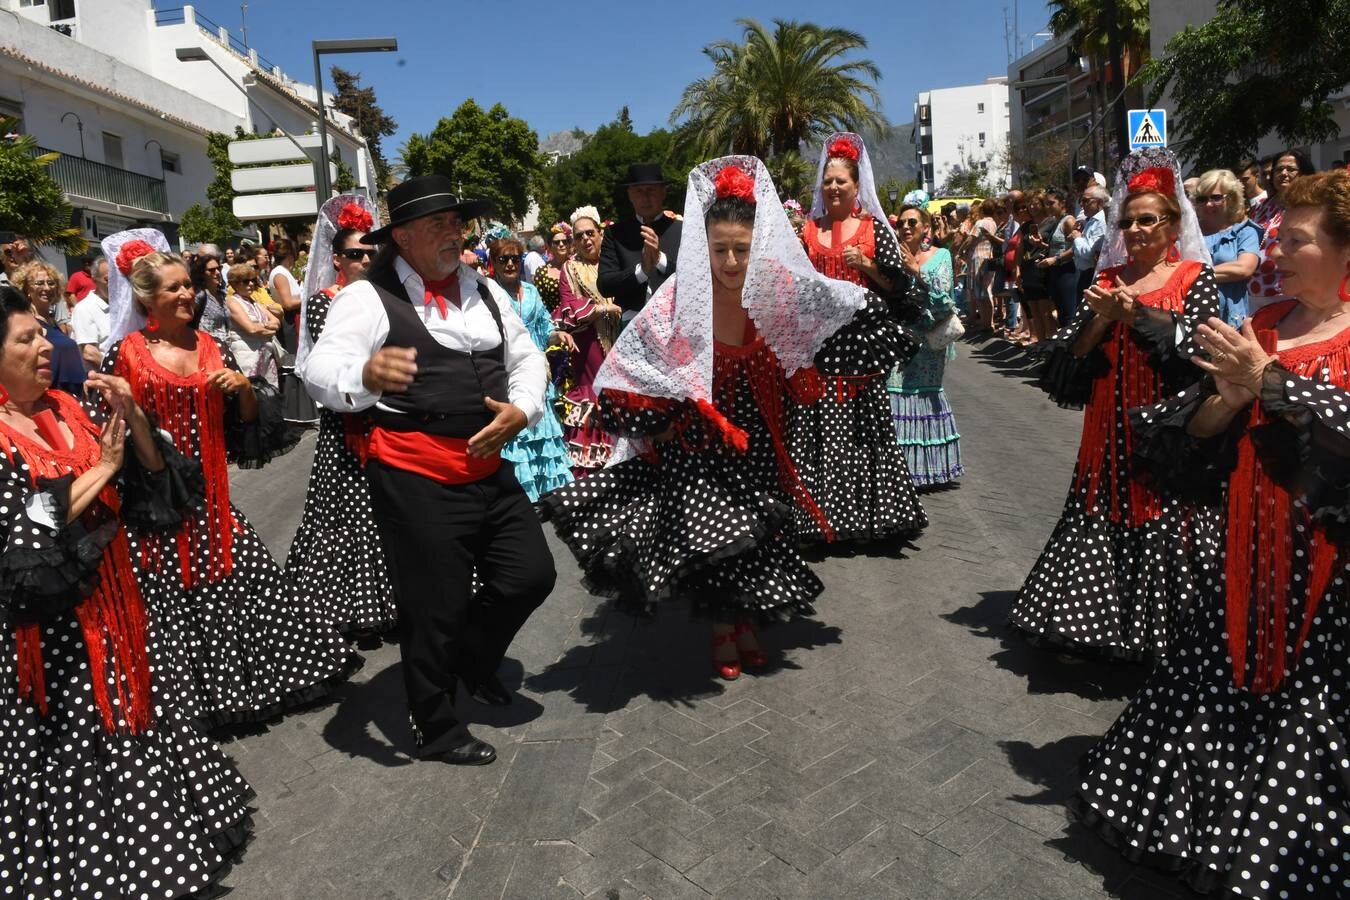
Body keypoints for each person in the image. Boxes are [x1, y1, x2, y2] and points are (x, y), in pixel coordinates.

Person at [1074, 168, 1350, 899]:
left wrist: (1274, 385)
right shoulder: (1261, 329)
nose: (1277, 250)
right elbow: (1190, 441)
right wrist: (1225, 403)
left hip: (1328, 585)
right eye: (1278, 235)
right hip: (1246, 558)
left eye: (1295, 239)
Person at [543, 156, 893, 679]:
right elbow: (623, 372)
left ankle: (745, 621)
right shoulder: (679, 300)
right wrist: (659, 419)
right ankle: (725, 630)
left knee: (754, 533)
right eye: (720, 249)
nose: (731, 262)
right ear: (703, 248)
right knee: (718, 535)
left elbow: (841, 310)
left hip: (760, 428)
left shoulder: (780, 288)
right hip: (700, 436)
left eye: (742, 249)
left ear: (762, 245)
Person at [0, 284, 254, 897]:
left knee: (136, 723)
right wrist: (103, 470)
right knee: (76, 746)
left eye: (42, 332)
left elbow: (156, 483)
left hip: (118, 609)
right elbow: (25, 528)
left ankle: (153, 843)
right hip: (56, 634)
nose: (45, 345)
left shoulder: (66, 405)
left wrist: (134, 417)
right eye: (26, 337)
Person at [301, 175, 555, 766]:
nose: (453, 233)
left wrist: (522, 406)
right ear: (405, 237)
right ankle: (435, 726)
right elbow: (320, 368)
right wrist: (364, 376)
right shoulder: (367, 297)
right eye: (438, 224)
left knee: (530, 575)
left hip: (488, 466)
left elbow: (527, 358)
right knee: (432, 605)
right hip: (416, 474)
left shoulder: (485, 289)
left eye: (456, 222)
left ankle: (472, 661)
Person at [99, 229, 355, 728]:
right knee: (168, 604)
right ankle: (192, 699)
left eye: (186, 286)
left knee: (250, 587)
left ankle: (246, 685)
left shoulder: (212, 346)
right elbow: (107, 431)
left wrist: (242, 388)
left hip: (213, 499)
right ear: (147, 298)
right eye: (172, 287)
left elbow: (246, 430)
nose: (185, 295)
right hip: (156, 503)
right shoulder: (125, 353)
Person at [1010, 149, 1222, 659]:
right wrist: (1104, 319)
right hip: (1108, 421)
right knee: (1105, 508)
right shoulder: (1107, 280)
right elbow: (1070, 355)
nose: (1135, 229)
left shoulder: (1195, 277)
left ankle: (1168, 628)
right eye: (1127, 221)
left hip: (1166, 422)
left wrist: (1136, 317)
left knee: (1166, 514)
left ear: (1173, 226)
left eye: (1147, 220)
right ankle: (1099, 621)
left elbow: (1201, 349)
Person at [794, 132, 927, 541]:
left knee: (863, 429)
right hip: (819, 345)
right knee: (820, 428)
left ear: (856, 187)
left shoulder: (874, 229)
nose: (833, 188)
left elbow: (902, 288)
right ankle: (823, 519)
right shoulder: (807, 232)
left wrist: (866, 264)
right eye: (828, 181)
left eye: (841, 182)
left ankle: (867, 517)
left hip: (862, 346)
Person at [285, 195, 398, 637]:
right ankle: (355, 608)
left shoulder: (384, 295)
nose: (365, 260)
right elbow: (343, 362)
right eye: (355, 253)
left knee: (390, 507)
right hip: (347, 420)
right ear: (337, 258)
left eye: (371, 252)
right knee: (347, 513)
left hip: (387, 415)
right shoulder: (323, 302)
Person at [488, 235, 576, 501]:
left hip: (537, 370)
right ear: (494, 263)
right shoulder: (490, 294)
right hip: (507, 371)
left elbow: (545, 326)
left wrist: (558, 334)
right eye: (504, 259)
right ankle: (522, 494)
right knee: (519, 431)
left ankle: (549, 492)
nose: (511, 264)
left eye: (516, 258)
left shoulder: (533, 291)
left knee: (542, 427)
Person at [889, 204, 964, 487]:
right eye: (902, 224)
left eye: (912, 222)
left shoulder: (940, 256)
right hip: (899, 339)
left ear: (925, 229)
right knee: (895, 392)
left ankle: (929, 469)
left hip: (929, 342)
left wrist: (915, 270)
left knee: (924, 393)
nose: (906, 228)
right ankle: (900, 469)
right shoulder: (889, 257)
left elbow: (945, 299)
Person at [554, 206, 621, 476]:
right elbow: (569, 306)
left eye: (590, 233)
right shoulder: (569, 270)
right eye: (578, 236)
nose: (585, 239)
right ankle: (597, 473)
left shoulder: (613, 261)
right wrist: (602, 309)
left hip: (621, 342)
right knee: (595, 400)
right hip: (590, 347)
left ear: (600, 234)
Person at [597, 163, 683, 312]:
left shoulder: (682, 230)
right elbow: (605, 285)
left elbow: (694, 280)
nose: (645, 197)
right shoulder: (616, 233)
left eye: (651, 190)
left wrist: (660, 260)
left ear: (663, 193)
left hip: (674, 322)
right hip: (631, 326)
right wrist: (641, 271)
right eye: (638, 191)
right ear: (630, 195)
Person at [1248, 148, 1316, 309]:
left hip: (1288, 291)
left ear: (1303, 173)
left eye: (1291, 169)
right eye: (1279, 169)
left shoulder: (1308, 207)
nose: (1284, 173)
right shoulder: (1262, 206)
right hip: (1255, 291)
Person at [1195, 168, 1262, 327]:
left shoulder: (1245, 231)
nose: (1208, 204)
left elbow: (1244, 268)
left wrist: (1190, 274)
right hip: (1190, 316)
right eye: (1202, 199)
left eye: (1216, 198)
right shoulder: (1188, 233)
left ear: (1231, 198)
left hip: (1230, 320)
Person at [12, 260, 85, 395]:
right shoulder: (30, 324)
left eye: (51, 283)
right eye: (39, 283)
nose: (47, 288)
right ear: (27, 289)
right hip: (54, 394)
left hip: (74, 392)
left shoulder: (54, 322)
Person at [268, 239, 318, 425]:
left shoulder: (284, 272)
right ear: (290, 254)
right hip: (289, 325)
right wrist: (310, 296)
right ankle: (293, 413)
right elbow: (288, 303)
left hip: (294, 322)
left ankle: (301, 412)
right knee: (291, 366)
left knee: (298, 363)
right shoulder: (279, 273)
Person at [223, 262, 281, 387]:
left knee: (271, 395)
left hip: (266, 357)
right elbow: (251, 329)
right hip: (247, 358)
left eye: (252, 280)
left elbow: (276, 323)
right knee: (254, 394)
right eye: (245, 281)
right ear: (234, 284)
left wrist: (261, 326)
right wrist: (266, 327)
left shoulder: (254, 302)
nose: (250, 284)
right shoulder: (232, 302)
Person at [1069, 183, 1108, 299]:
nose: (1082, 204)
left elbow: (1088, 253)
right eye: (1081, 200)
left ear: (1099, 202)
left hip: (1091, 275)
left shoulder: (1101, 222)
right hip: (1084, 274)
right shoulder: (1092, 220)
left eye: (1086, 201)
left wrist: (1077, 237)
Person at [72, 254, 111, 370]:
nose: (114, 283)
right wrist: (115, 371)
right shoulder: (85, 308)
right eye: (108, 279)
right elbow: (89, 353)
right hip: (104, 379)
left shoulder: (120, 306)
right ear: (95, 280)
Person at [191, 249, 231, 340]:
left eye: (219, 268)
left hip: (226, 346)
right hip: (208, 346)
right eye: (212, 270)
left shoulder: (222, 294)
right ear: (202, 274)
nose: (217, 272)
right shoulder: (200, 295)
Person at [535, 222, 571, 312]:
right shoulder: (542, 272)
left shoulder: (577, 266)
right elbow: (540, 303)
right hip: (554, 321)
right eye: (557, 242)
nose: (561, 244)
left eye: (564, 241)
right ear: (550, 247)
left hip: (580, 320)